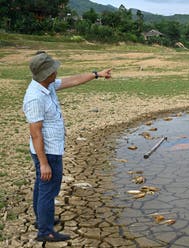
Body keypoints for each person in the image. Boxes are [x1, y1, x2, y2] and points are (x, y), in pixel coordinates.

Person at [23, 51, 112, 242]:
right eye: (53, 69)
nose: (56, 72)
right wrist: (44, 162)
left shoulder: (47, 85)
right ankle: (45, 232)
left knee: (42, 186)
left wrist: (97, 74)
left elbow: (73, 80)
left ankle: (42, 220)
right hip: (47, 152)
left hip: (51, 149)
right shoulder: (35, 97)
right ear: (47, 74)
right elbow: (35, 133)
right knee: (48, 189)